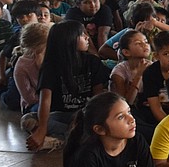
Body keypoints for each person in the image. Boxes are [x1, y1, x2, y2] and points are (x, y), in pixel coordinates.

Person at [28, 21, 110, 152]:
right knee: (35, 120)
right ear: (69, 40)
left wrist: (81, 117)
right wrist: (42, 129)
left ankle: (64, 139)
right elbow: (45, 99)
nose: (87, 37)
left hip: (86, 114)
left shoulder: (92, 62)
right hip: (62, 114)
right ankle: (74, 137)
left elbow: (97, 98)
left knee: (101, 122)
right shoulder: (51, 67)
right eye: (82, 35)